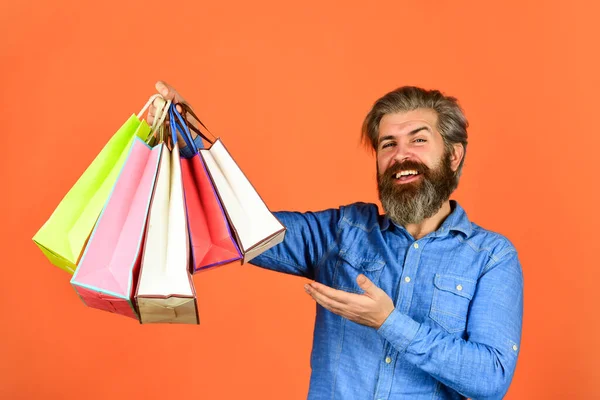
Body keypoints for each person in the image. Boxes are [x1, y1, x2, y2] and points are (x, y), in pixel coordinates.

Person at [150, 81, 524, 400]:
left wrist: (388, 321)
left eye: (419, 140)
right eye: (387, 144)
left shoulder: (491, 256)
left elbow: (490, 377)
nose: (401, 155)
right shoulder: (342, 231)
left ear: (454, 155)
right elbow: (244, 227)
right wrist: (185, 140)